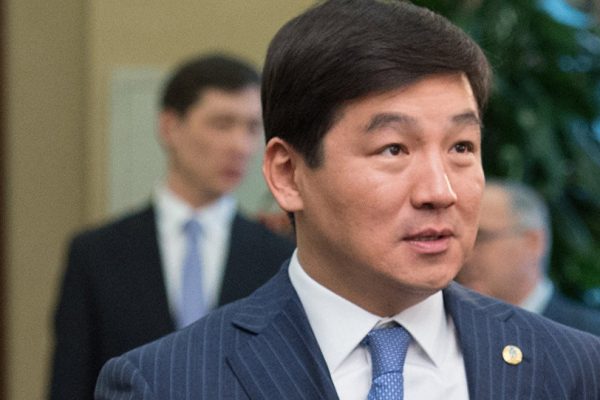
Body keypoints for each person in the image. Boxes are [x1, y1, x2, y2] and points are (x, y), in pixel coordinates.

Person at [95, 1, 600, 399]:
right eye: (393, 149)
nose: (439, 192)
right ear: (288, 174)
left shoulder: (570, 368)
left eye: (461, 148)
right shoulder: (168, 383)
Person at [49, 53, 295, 400]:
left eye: (252, 128)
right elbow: (70, 383)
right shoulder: (97, 254)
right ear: (169, 127)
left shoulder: (278, 256)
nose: (241, 146)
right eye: (222, 124)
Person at [455, 178, 600, 335]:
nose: (465, 254)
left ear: (533, 242)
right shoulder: (452, 331)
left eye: (480, 238)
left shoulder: (590, 335)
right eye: (458, 239)